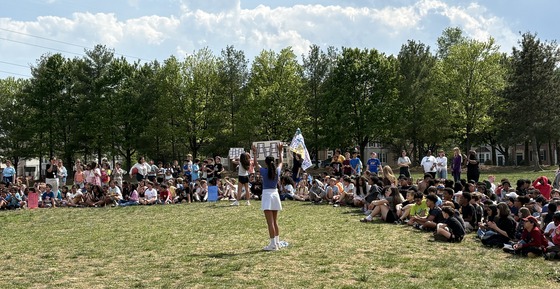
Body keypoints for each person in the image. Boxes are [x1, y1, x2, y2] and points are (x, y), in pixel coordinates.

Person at [252, 142, 287, 251]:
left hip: (267, 195)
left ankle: (273, 245)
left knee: (270, 223)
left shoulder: (264, 171)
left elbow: (256, 164)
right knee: (275, 222)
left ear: (266, 163)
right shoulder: (277, 171)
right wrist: (280, 151)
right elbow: (281, 162)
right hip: (275, 194)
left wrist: (255, 153)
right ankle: (276, 242)